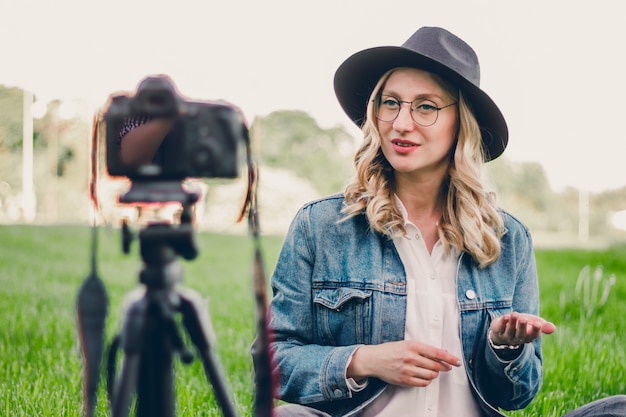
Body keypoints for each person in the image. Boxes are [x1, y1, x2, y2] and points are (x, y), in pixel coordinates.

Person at [266, 26, 626, 417]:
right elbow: (271, 361)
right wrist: (363, 360)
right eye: (391, 103)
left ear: (461, 123)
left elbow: (518, 396)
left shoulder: (508, 239)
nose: (401, 123)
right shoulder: (320, 226)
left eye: (425, 106)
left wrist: (505, 348)